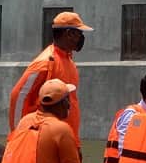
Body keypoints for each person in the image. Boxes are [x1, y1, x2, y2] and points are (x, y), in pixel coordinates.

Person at [9, 11, 93, 143]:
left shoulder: (69, 61)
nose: (81, 38)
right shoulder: (44, 63)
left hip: (66, 138)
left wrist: (75, 143)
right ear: (69, 34)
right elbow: (18, 96)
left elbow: (72, 104)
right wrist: (17, 137)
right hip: (45, 140)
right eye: (79, 33)